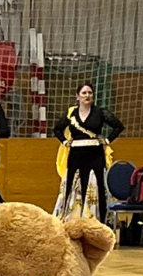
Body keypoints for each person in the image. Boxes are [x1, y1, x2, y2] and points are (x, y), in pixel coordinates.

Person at [52, 83, 124, 224]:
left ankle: (96, 220)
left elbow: (118, 126)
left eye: (90, 93)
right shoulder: (71, 113)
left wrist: (107, 140)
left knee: (96, 185)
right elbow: (57, 129)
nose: (87, 96)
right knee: (73, 185)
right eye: (84, 93)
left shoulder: (100, 112)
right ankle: (71, 220)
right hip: (75, 156)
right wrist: (65, 142)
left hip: (95, 156)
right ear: (77, 96)